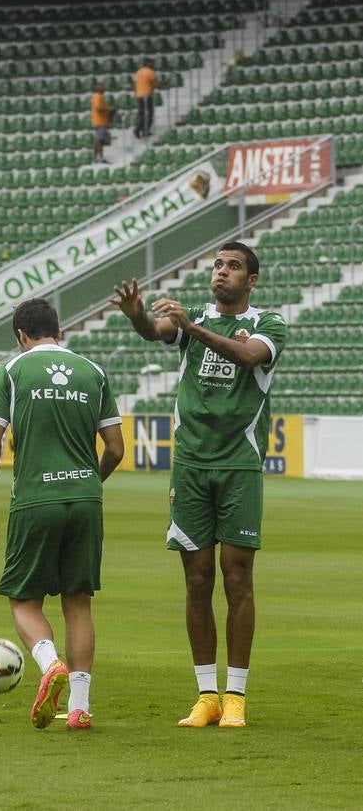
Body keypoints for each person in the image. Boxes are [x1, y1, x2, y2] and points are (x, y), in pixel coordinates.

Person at [112, 242, 287, 729]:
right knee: (196, 580)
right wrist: (136, 317)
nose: (222, 272)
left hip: (238, 465)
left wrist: (192, 328)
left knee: (237, 579)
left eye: (233, 267)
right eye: (217, 265)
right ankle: (206, 694)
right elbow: (156, 331)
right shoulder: (192, 321)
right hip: (189, 465)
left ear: (251, 280)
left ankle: (237, 695)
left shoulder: (270, 324)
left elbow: (249, 356)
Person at [0, 298, 124, 731]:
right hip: (87, 499)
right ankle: (78, 708)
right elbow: (115, 447)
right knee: (78, 602)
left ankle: (48, 662)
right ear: (59, 329)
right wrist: (88, 483)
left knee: (23, 599)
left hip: (37, 498)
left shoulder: (13, 371)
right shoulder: (93, 372)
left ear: (21, 336)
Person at [133, 58, 157, 139]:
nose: (153, 65)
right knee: (149, 114)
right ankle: (141, 130)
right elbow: (154, 84)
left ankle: (141, 130)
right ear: (148, 63)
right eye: (152, 63)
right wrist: (163, 84)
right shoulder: (150, 72)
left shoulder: (138, 72)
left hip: (139, 95)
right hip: (147, 95)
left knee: (142, 113)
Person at [90, 82, 113, 163]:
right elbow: (99, 109)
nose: (104, 88)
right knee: (99, 140)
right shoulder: (97, 97)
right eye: (103, 87)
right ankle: (98, 158)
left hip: (100, 121)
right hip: (100, 121)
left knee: (99, 140)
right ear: (98, 88)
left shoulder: (97, 97)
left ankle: (97, 158)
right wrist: (108, 109)